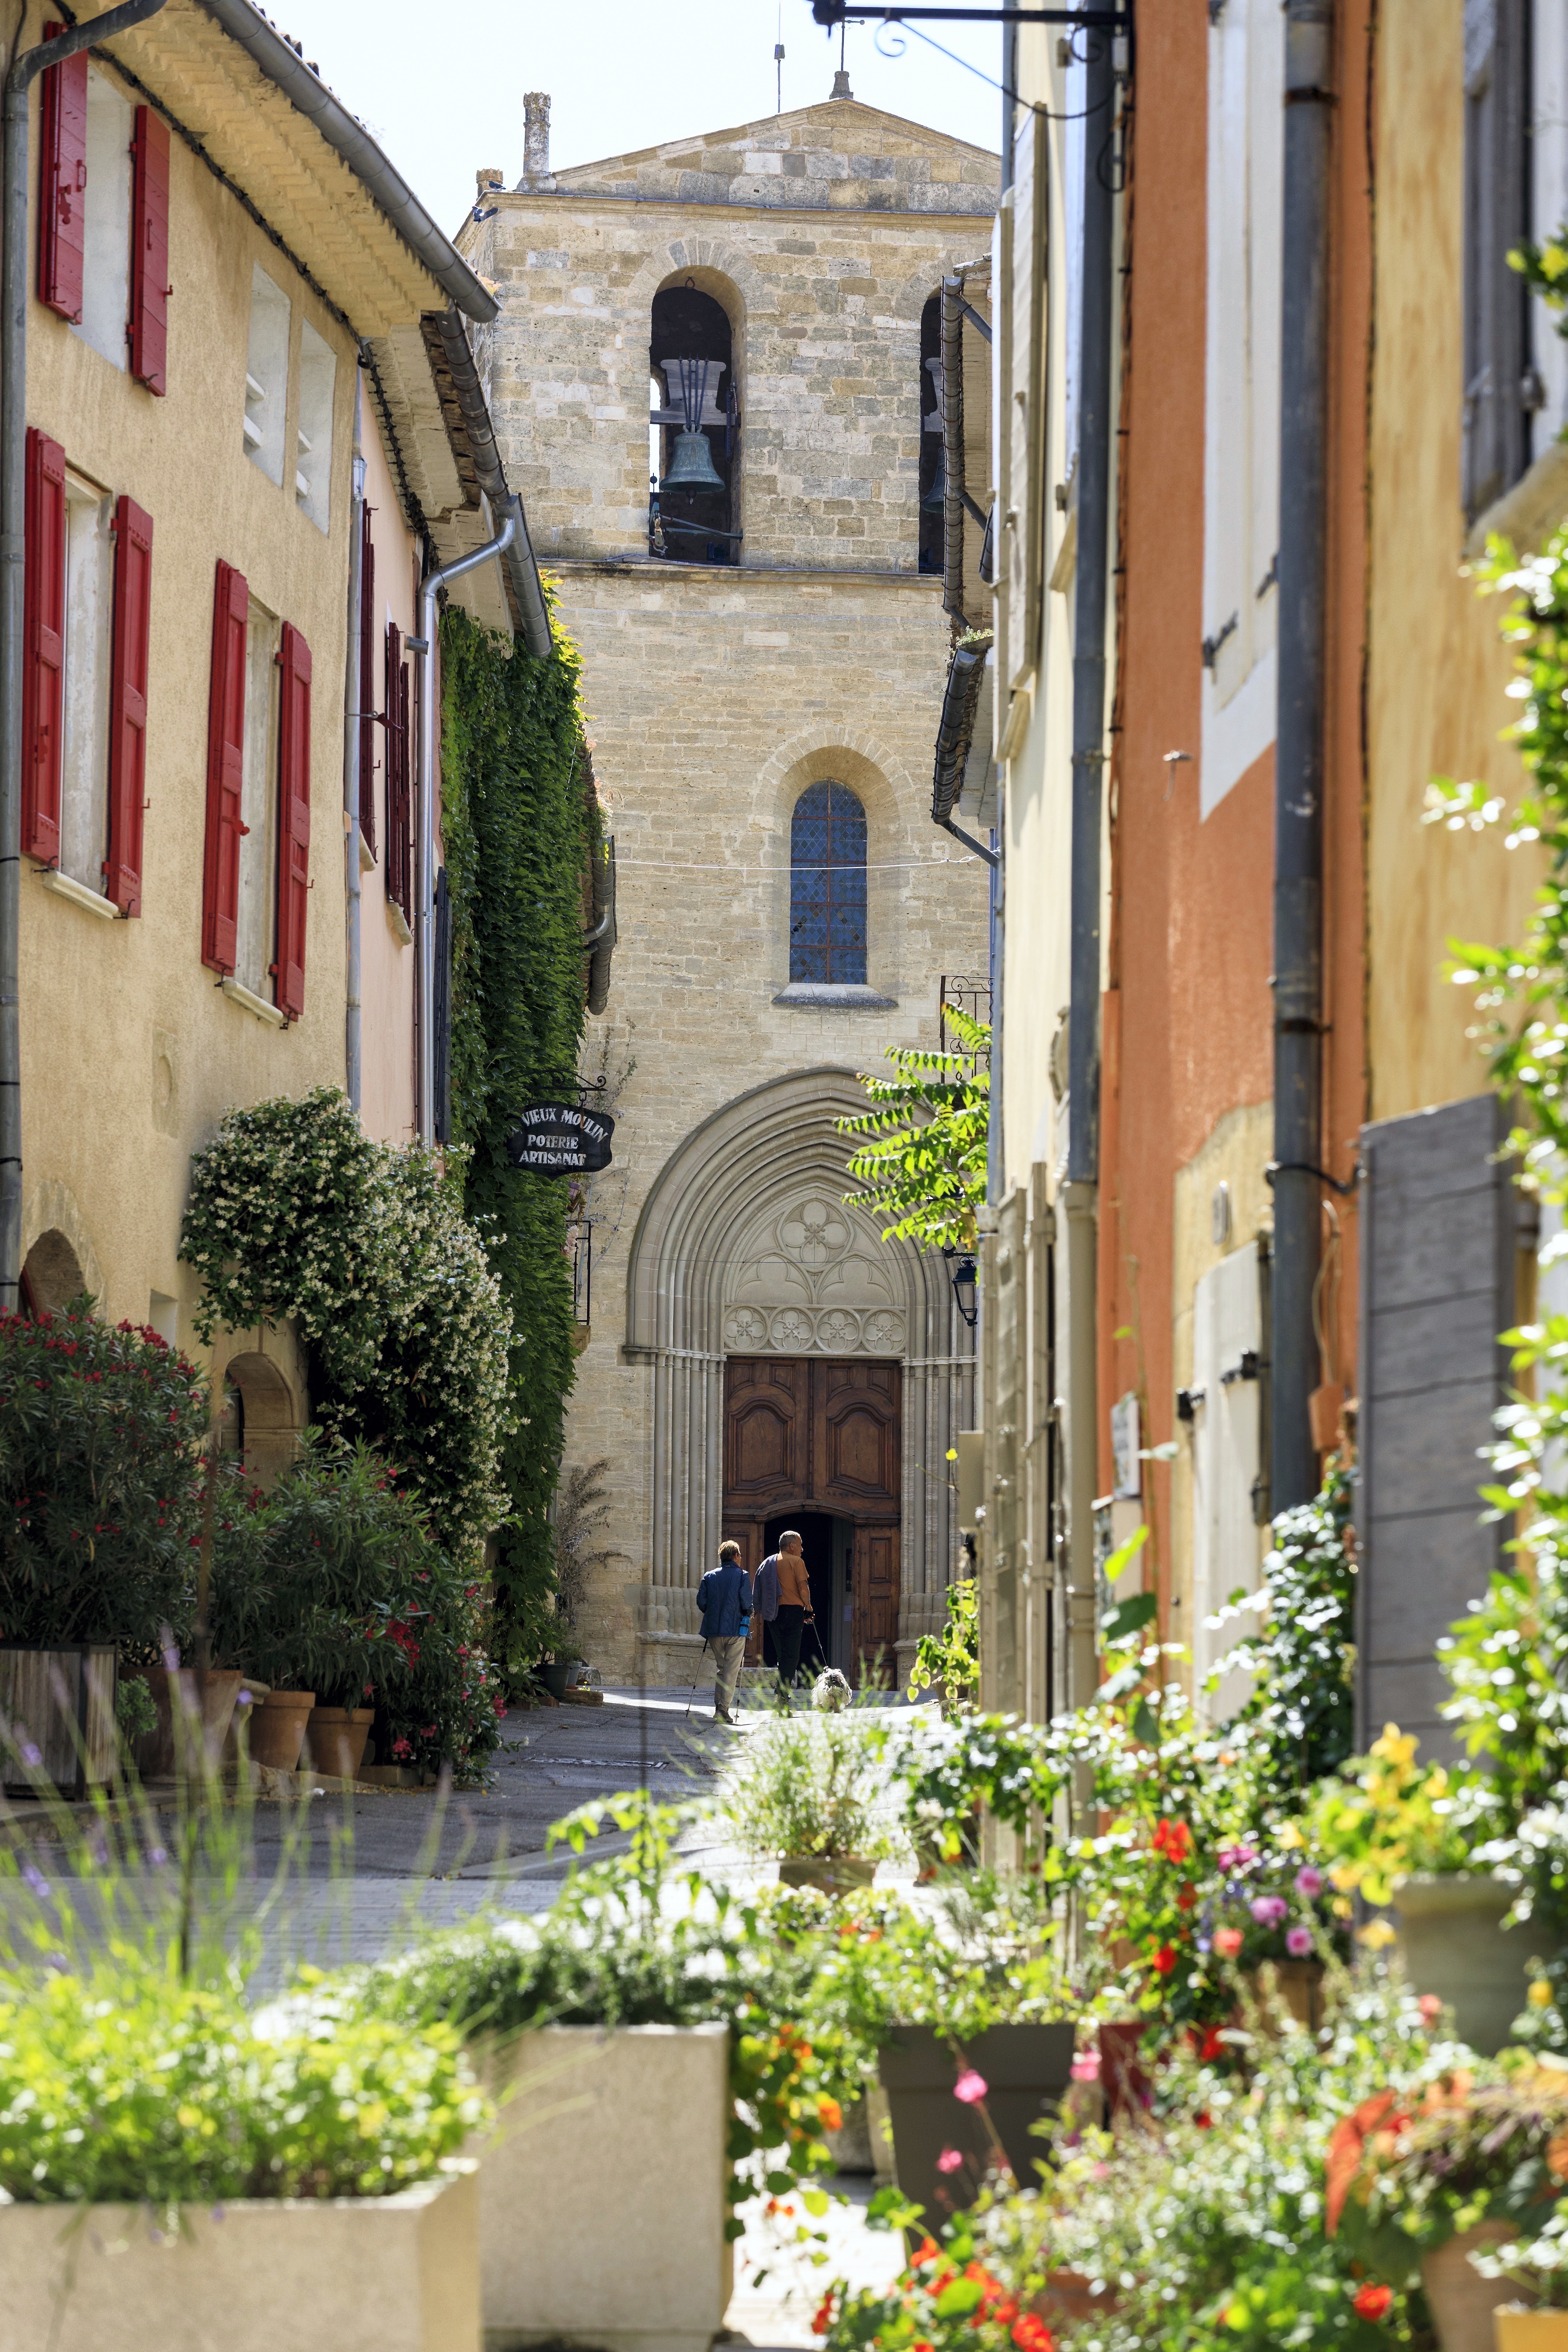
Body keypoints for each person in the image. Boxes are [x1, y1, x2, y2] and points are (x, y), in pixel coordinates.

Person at [696, 1538, 752, 1725]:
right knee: (731, 1671)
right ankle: (723, 1709)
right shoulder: (743, 1576)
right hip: (736, 1631)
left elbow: (701, 1601)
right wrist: (749, 1613)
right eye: (740, 1555)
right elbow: (747, 1603)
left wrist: (712, 1613)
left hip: (714, 1631)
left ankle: (719, 1707)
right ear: (736, 1556)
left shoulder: (709, 1576)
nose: (741, 1558)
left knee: (722, 1668)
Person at [752, 1528, 814, 1694]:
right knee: (792, 1658)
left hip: (773, 1614)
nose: (802, 1549)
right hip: (793, 1613)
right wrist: (809, 1608)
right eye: (800, 1545)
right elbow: (803, 1589)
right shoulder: (797, 1562)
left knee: (783, 1657)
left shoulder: (768, 1563)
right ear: (792, 1546)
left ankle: (782, 1696)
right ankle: (781, 1695)